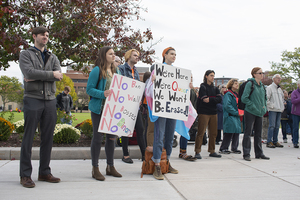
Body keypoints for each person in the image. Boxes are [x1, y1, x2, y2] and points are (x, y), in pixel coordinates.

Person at [19, 26, 63, 188]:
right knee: (28, 137)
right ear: (34, 36)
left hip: (50, 101)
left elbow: (59, 75)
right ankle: (25, 175)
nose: (45, 37)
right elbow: (29, 73)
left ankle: (44, 171)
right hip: (32, 99)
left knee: (48, 138)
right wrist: (50, 74)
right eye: (42, 35)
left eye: (47, 35)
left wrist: (40, 75)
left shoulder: (53, 56)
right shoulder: (26, 54)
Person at [86, 46, 122, 181]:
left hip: (112, 110)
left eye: (114, 54)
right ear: (104, 55)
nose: (114, 56)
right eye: (111, 54)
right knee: (97, 138)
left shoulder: (116, 70)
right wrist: (103, 94)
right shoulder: (97, 71)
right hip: (99, 109)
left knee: (112, 139)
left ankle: (110, 167)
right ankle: (95, 168)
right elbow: (89, 90)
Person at [149, 47, 179, 180]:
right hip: (161, 108)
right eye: (172, 54)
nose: (174, 56)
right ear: (165, 55)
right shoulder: (157, 69)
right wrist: (153, 81)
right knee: (159, 136)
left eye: (175, 55)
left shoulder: (177, 72)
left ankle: (166, 162)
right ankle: (156, 164)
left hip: (172, 108)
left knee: (169, 137)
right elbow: (149, 90)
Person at [118, 49, 146, 163]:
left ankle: (144, 155)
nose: (137, 57)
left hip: (135, 106)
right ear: (129, 56)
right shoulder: (121, 69)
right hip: (125, 104)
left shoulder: (136, 71)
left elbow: (138, 87)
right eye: (135, 55)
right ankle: (125, 155)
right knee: (126, 130)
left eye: (138, 56)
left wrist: (139, 98)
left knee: (140, 129)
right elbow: (120, 85)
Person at [241, 67, 269, 161]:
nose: (262, 74)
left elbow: (264, 98)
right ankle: (246, 153)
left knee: (258, 134)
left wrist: (264, 107)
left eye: (262, 73)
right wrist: (252, 106)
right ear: (254, 74)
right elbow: (244, 98)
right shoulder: (250, 84)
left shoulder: (262, 86)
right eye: (260, 73)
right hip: (250, 111)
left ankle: (259, 153)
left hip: (260, 112)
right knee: (248, 133)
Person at [194, 70, 222, 159]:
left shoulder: (216, 88)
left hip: (213, 112)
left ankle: (212, 150)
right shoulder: (203, 87)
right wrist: (213, 99)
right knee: (201, 132)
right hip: (204, 112)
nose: (212, 77)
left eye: (213, 75)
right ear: (206, 76)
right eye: (211, 75)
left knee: (213, 133)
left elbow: (219, 99)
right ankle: (197, 151)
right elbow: (204, 99)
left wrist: (211, 99)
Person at [219, 79, 243, 154]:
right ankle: (223, 148)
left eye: (237, 83)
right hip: (230, 115)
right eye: (235, 83)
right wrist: (236, 112)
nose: (237, 85)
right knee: (229, 132)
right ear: (231, 85)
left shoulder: (236, 94)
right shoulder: (228, 94)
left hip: (236, 115)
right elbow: (227, 105)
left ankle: (234, 147)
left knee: (236, 132)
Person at [179, 74, 197, 161]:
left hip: (189, 113)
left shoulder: (192, 89)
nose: (191, 79)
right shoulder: (182, 88)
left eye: (192, 77)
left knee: (185, 132)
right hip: (183, 112)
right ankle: (182, 152)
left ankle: (183, 151)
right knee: (184, 132)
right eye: (189, 77)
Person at [266, 74, 284, 148]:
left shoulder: (279, 89)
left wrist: (282, 107)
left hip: (279, 109)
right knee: (272, 125)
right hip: (273, 109)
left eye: (280, 78)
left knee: (277, 126)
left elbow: (282, 99)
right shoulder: (269, 88)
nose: (279, 79)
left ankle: (275, 141)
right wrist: (272, 106)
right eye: (277, 78)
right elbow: (267, 99)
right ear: (273, 79)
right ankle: (269, 141)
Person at [291, 80, 300, 148]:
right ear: (298, 85)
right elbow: (293, 101)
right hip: (295, 113)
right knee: (295, 128)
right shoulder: (294, 92)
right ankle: (295, 142)